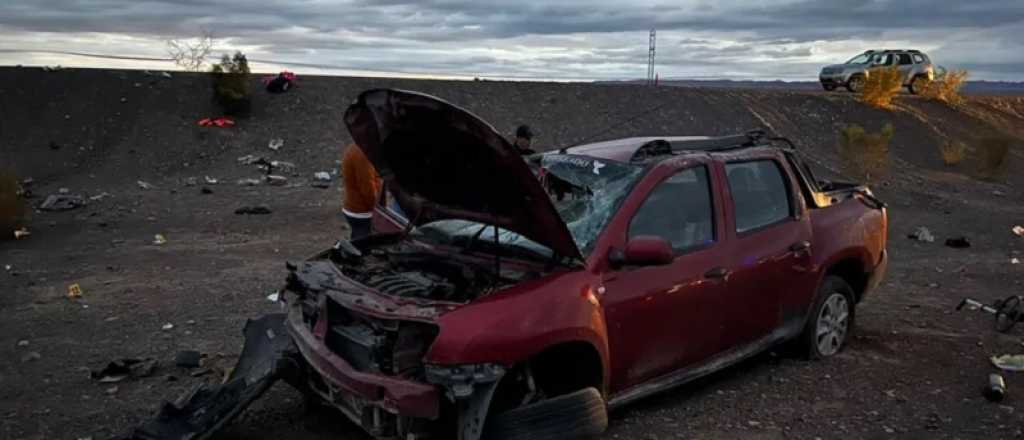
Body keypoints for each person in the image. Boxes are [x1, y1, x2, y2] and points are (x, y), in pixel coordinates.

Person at [341, 143, 382, 240]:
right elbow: (367, 187)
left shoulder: (357, 147)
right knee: (363, 247)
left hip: (357, 210)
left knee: (358, 243)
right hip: (362, 213)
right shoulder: (362, 154)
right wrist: (378, 209)